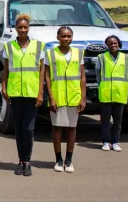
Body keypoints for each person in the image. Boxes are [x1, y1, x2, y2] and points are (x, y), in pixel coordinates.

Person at [1, 14, 44, 176]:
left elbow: (41, 72)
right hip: (15, 93)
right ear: (16, 28)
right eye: (20, 27)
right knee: (19, 129)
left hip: (32, 93)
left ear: (29, 28)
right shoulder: (9, 47)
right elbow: (6, 71)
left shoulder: (39, 47)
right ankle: (20, 161)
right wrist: (4, 88)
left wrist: (40, 93)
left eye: (25, 27)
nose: (23, 30)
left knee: (29, 129)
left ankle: (27, 161)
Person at [44, 26, 86, 173]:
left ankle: (69, 160)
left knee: (72, 128)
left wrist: (83, 98)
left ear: (72, 38)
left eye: (69, 36)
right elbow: (47, 77)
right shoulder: (50, 54)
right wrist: (50, 97)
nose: (66, 39)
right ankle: (58, 159)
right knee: (56, 127)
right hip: (57, 95)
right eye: (63, 36)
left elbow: (82, 77)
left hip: (74, 96)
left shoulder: (78, 53)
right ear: (58, 37)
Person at [96, 35, 128, 152]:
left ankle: (115, 141)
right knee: (105, 120)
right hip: (106, 94)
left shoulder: (127, 58)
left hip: (120, 93)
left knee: (118, 120)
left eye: (115, 43)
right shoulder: (101, 57)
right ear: (107, 45)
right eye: (110, 43)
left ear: (118, 44)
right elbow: (98, 75)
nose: (113, 45)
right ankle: (106, 141)